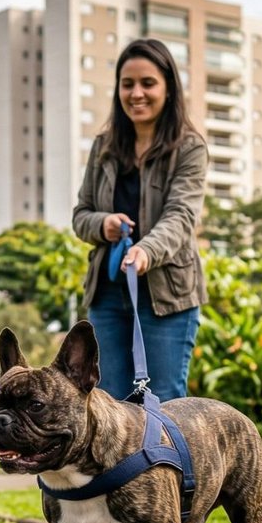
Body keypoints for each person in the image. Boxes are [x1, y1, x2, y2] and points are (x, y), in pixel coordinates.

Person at [72, 39, 207, 402]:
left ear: (168, 87)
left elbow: (181, 217)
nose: (136, 93)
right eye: (127, 84)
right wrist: (104, 225)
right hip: (107, 294)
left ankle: (168, 464)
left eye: (148, 83)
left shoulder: (189, 148)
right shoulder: (103, 147)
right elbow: (80, 214)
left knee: (162, 404)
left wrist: (146, 251)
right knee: (105, 407)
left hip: (167, 297)